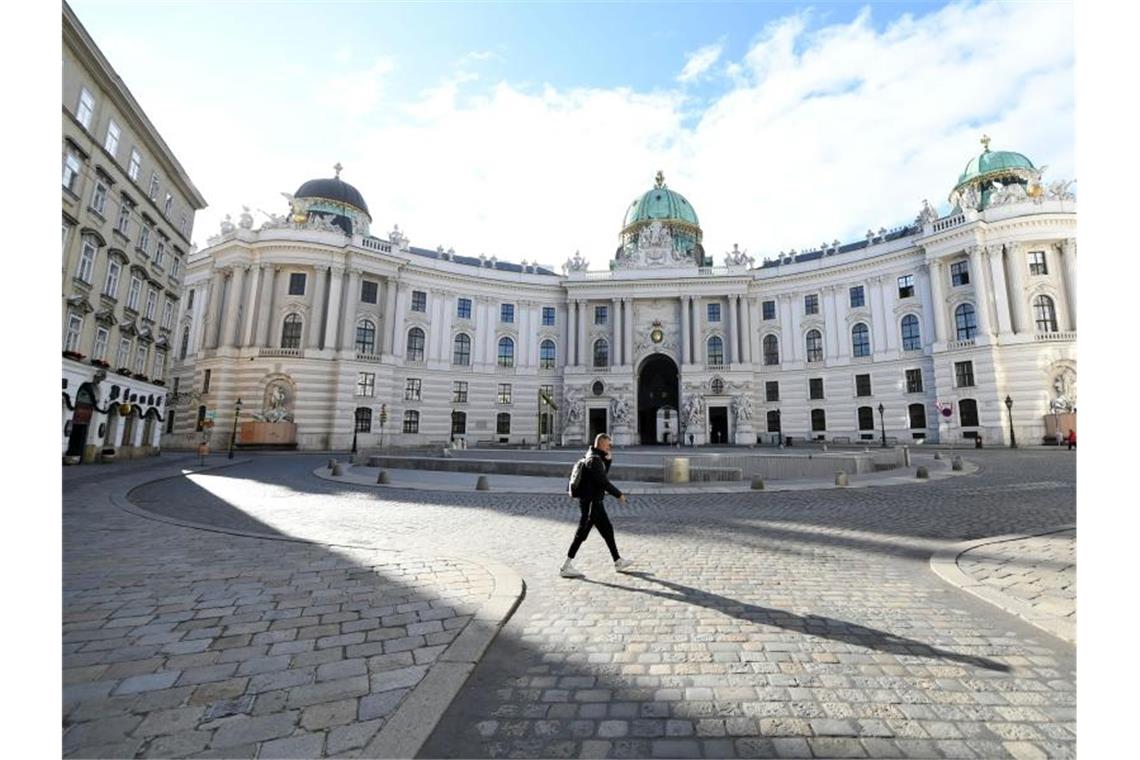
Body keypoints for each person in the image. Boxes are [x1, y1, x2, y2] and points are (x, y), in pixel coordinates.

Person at [560, 433, 633, 578]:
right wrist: (619, 495)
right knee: (581, 535)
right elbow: (603, 482)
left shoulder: (592, 457)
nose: (609, 447)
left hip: (593, 502)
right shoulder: (594, 460)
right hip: (592, 503)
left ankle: (617, 561)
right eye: (608, 445)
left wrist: (608, 461)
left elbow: (601, 476)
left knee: (607, 531)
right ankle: (565, 567)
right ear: (601, 445)